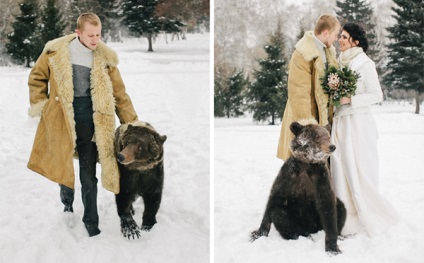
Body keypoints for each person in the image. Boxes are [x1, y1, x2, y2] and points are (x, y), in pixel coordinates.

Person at [27, 13, 138, 237]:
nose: (95, 39)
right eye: (90, 35)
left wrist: (131, 123)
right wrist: (42, 106)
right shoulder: (55, 51)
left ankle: (91, 221)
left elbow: (120, 93)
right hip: (62, 117)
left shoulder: (104, 59)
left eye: (98, 34)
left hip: (91, 119)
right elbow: (37, 78)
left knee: (89, 174)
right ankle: (67, 204)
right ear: (78, 33)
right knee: (63, 165)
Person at [330, 23, 399, 236]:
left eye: (344, 37)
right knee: (340, 168)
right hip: (340, 122)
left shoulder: (365, 64)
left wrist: (350, 98)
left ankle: (362, 214)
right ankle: (343, 215)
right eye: (339, 36)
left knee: (358, 169)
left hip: (358, 124)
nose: (339, 40)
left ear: (355, 41)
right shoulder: (337, 63)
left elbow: (377, 94)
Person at [277, 14, 340, 160]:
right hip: (308, 117)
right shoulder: (302, 54)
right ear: (326, 32)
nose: (336, 38)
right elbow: (298, 91)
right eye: (335, 34)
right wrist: (308, 127)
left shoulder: (328, 52)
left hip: (323, 118)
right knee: (301, 165)